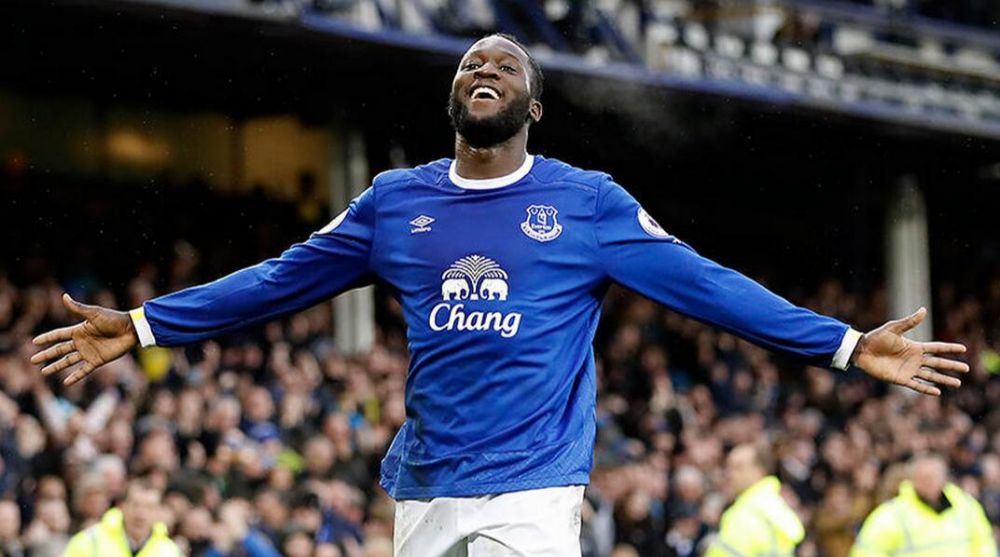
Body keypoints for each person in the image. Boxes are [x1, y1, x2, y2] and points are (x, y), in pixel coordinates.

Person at [31, 33, 970, 557]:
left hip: (533, 489)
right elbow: (280, 281)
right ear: (454, 96)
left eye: (506, 66)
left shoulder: (586, 203)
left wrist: (844, 344)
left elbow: (708, 286)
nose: (482, 68)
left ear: (533, 108)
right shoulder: (395, 204)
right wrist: (149, 322)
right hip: (427, 486)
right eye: (469, 63)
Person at [850, 453, 997, 557]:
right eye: (924, 477)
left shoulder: (966, 506)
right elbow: (867, 552)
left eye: (934, 476)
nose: (929, 482)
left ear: (944, 477)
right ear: (913, 479)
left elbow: (984, 544)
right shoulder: (892, 514)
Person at [705, 443, 804, 557]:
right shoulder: (773, 506)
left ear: (760, 470)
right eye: (728, 467)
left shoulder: (748, 512)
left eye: (738, 467)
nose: (729, 474)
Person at [63, 477, 182, 557]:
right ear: (123, 506)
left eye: (149, 507)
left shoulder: (170, 552)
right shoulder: (89, 541)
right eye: (135, 505)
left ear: (158, 512)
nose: (140, 514)